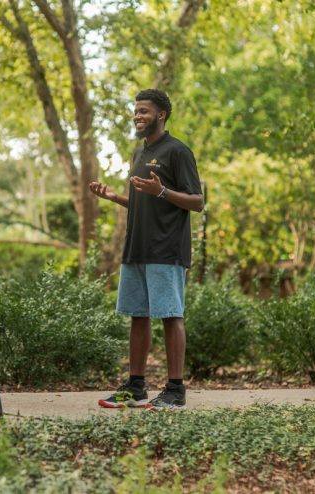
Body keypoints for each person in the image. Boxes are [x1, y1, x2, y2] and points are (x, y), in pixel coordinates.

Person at [90, 89, 204, 410]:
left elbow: (197, 202)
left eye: (144, 111)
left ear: (161, 115)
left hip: (166, 248)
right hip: (136, 247)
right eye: (136, 111)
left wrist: (163, 189)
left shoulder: (177, 151)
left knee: (170, 315)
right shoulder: (139, 153)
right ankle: (137, 386)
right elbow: (145, 201)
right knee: (137, 316)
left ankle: (175, 390)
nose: (138, 116)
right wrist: (115, 197)